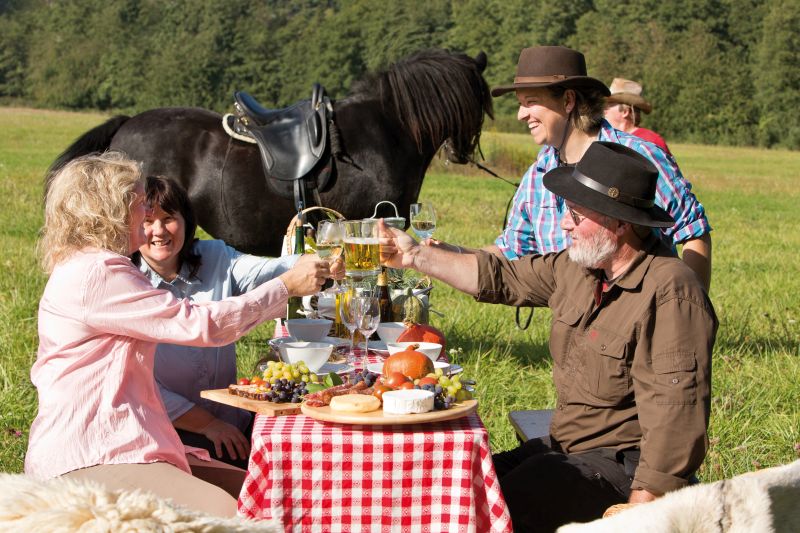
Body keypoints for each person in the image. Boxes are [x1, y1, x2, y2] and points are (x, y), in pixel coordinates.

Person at [379, 142, 717, 531]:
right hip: (566, 448)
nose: (564, 224)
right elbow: (500, 277)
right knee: (454, 482)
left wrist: (640, 515)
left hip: (623, 470)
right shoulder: (583, 268)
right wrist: (414, 256)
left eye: (576, 213)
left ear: (619, 223)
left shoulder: (670, 291)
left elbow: (677, 419)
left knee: (488, 510)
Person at [26, 152, 330, 517]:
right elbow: (200, 325)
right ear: (110, 209)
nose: (147, 216)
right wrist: (285, 287)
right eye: (140, 204)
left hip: (128, 439)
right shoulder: (99, 273)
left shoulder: (92, 265)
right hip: (91, 451)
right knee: (234, 512)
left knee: (260, 493)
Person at [131, 176, 342, 472]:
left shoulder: (214, 256)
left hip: (233, 419)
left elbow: (267, 269)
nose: (159, 231)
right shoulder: (127, 284)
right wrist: (209, 425)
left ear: (186, 220)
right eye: (148, 221)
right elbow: (139, 385)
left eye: (169, 218)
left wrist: (311, 264)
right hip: (169, 430)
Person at [484, 46, 712, 291]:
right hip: (576, 324)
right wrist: (445, 254)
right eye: (520, 104)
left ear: (569, 100)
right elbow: (511, 250)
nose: (520, 114)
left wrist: (689, 311)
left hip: (646, 318)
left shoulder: (640, 156)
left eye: (530, 102)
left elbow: (693, 232)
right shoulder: (537, 175)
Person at [603, 77, 671, 154]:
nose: (604, 110)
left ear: (625, 112)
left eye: (609, 105)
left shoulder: (651, 141)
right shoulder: (604, 138)